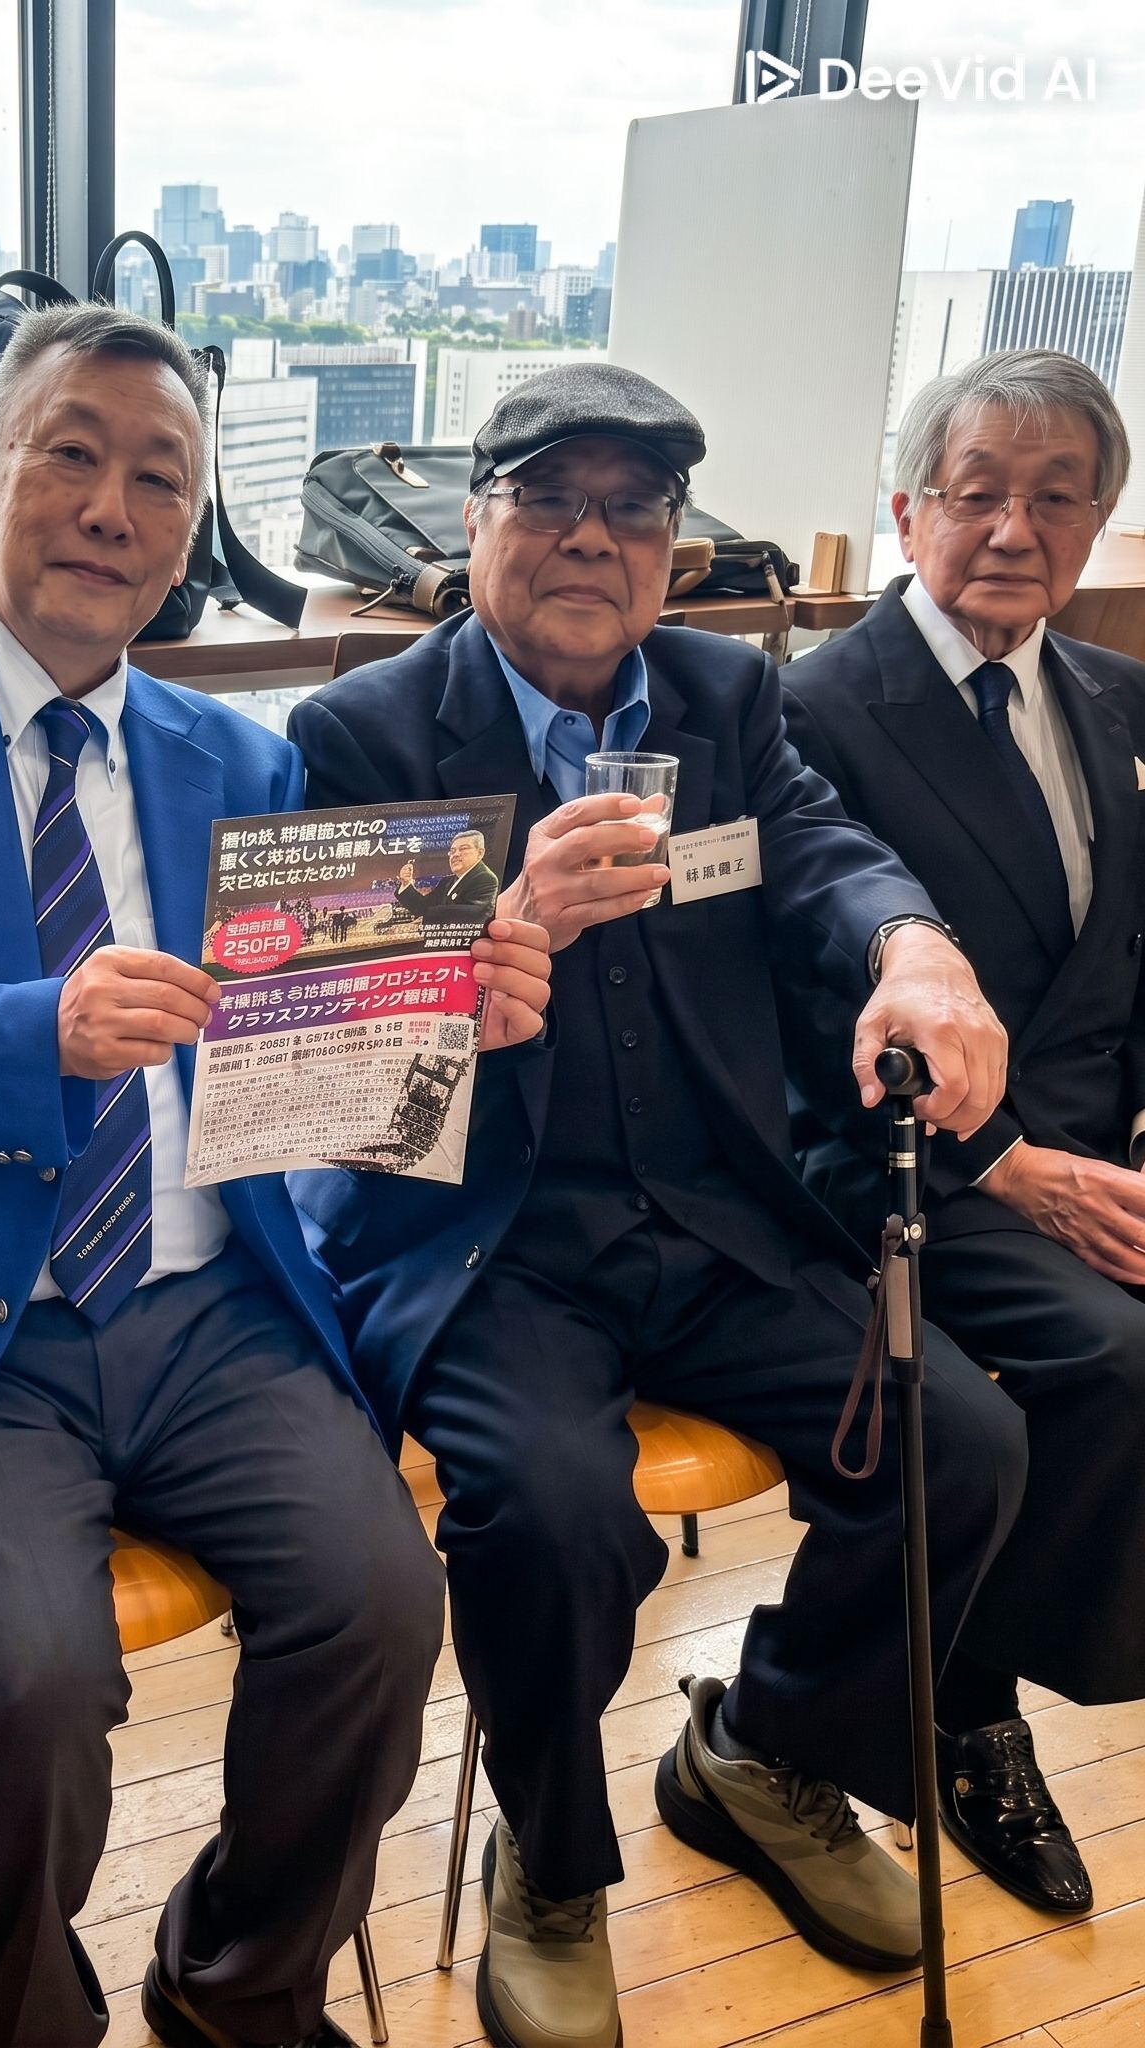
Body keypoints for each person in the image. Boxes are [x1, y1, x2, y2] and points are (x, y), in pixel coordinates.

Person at [0, 303, 552, 2048]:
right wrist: (41, 1031)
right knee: (30, 1682)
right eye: (71, 455)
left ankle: (237, 1983)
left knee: (381, 1603)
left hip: (206, 1310)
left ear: (189, 533)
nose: (112, 507)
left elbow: (304, 1081)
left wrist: (437, 1018)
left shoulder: (244, 755)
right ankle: (21, 2011)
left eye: (160, 479)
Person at [287, 362, 1029, 2048]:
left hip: (709, 1217)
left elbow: (821, 853)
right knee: (554, 1513)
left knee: (963, 1443)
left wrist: (912, 948)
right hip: (484, 1243)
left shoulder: (720, 693)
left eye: (632, 508)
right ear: (473, 520)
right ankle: (549, 1864)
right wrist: (501, 916)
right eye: (549, 498)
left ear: (673, 547)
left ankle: (763, 1749)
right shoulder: (360, 730)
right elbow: (327, 1059)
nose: (590, 539)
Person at [783, 347, 1145, 1915]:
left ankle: (951, 1676)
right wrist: (1009, 1168)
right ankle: (976, 1702)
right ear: (907, 509)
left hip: (1090, 1153)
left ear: (1099, 524)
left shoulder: (1119, 698)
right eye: (977, 492)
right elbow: (799, 1000)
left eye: (1057, 498)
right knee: (1117, 1359)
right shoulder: (811, 709)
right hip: (892, 1162)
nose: (1013, 529)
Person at [394, 828, 501, 928]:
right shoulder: (446, 882)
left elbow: (473, 914)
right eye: (452, 851)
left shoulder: (486, 879)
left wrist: (427, 915)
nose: (456, 854)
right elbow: (422, 906)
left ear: (480, 853)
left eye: (463, 848)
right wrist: (406, 883)